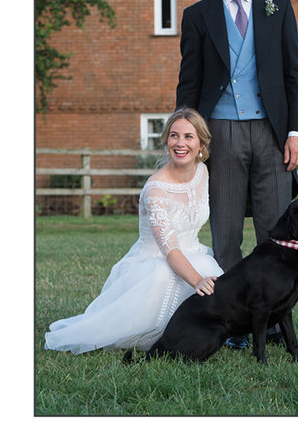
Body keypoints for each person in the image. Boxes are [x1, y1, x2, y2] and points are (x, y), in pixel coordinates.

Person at [175, 0, 298, 349]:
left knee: (275, 231)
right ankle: (231, 323)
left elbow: (292, 76)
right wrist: (189, 134)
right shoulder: (198, 15)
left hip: (272, 132)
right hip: (222, 132)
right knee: (226, 232)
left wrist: (295, 131)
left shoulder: (278, 8)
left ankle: (271, 324)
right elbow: (189, 83)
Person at [44, 108, 224, 354]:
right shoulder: (156, 189)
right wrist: (197, 281)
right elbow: (170, 250)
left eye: (188, 136)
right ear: (166, 141)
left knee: (210, 269)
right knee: (170, 274)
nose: (180, 143)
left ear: (201, 143)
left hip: (194, 253)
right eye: (174, 136)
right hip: (154, 262)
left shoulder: (202, 172)